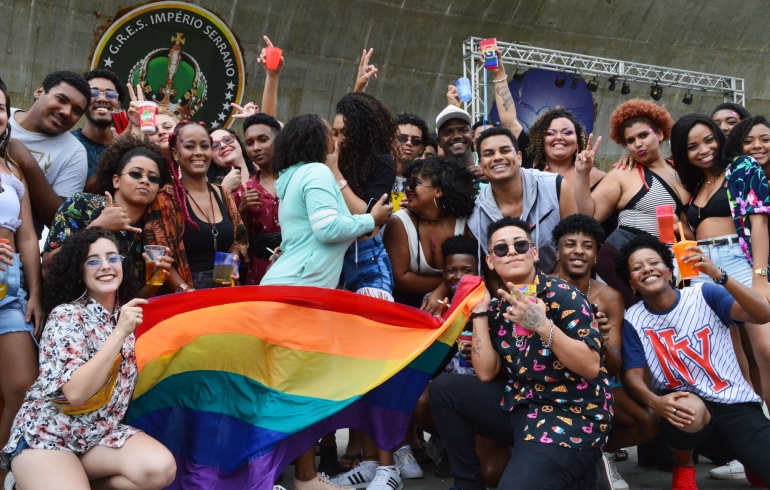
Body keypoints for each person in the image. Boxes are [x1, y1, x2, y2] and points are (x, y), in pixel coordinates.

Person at [430, 216, 613, 490]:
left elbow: (589, 366)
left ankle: (584, 468)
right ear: (491, 261)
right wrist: (479, 312)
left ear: (534, 253)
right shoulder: (496, 309)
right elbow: (486, 372)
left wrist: (541, 324)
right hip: (521, 404)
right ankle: (467, 485)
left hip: (573, 413)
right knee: (445, 390)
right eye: (501, 249)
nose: (512, 252)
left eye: (520, 245)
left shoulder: (564, 295)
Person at [261, 113, 391, 490]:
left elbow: (300, 235)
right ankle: (296, 478)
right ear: (317, 141)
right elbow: (327, 227)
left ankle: (296, 476)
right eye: (329, 133)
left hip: (292, 291)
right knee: (295, 391)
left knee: (288, 390)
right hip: (298, 296)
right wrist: (371, 219)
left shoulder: (293, 178)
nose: (336, 138)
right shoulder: (316, 172)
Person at [0, 227, 177, 490]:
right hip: (49, 436)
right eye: (92, 261)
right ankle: (27, 479)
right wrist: (118, 334)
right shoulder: (66, 315)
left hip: (97, 436)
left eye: (112, 258)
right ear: (80, 272)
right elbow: (75, 394)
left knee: (159, 468)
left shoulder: (127, 314)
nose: (105, 266)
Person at [615, 234, 770, 489]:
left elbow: (763, 314)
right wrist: (657, 402)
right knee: (684, 406)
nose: (647, 270)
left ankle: (752, 463)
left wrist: (719, 275)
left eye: (654, 263)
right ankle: (683, 469)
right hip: (688, 409)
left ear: (668, 269)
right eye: (637, 268)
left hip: (734, 402)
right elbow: (631, 375)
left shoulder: (704, 294)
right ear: (631, 282)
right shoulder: (633, 318)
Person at [550, 214, 659, 490]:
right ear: (558, 251)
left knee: (648, 421)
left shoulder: (609, 297)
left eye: (587, 245)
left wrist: (602, 339)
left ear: (596, 255)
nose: (578, 251)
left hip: (598, 380)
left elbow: (613, 366)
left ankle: (600, 453)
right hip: (550, 382)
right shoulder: (541, 288)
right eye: (570, 244)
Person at [574, 99, 690, 308]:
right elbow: (589, 218)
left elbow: (692, 226)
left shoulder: (683, 172)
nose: (637, 144)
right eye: (630, 140)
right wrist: (582, 175)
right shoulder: (623, 173)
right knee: (640, 318)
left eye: (643, 135)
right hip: (620, 260)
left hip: (669, 262)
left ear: (661, 134)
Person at [41, 137, 173, 298]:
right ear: (116, 180)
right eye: (135, 174)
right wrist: (99, 226)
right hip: (67, 313)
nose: (145, 180)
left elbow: (131, 302)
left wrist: (156, 280)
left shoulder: (152, 228)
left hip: (119, 319)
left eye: (153, 178)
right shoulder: (82, 205)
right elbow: (48, 270)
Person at [143, 120, 248, 291]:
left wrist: (232, 263)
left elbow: (240, 239)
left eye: (205, 146)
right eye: (190, 147)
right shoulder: (164, 198)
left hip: (224, 289)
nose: (199, 152)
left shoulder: (225, 194)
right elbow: (158, 255)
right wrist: (186, 291)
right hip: (184, 292)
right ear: (176, 154)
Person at [469, 126, 577, 290]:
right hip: (513, 300)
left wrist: (548, 294)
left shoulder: (555, 186)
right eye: (489, 154)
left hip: (564, 289)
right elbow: (493, 277)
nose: (497, 157)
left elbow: (573, 247)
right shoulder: (475, 217)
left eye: (505, 150)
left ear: (519, 157)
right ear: (481, 164)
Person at [0, 83, 43, 488]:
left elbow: (28, 235)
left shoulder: (12, 168)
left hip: (8, 292)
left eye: (0, 108)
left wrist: (35, 294)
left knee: (23, 388)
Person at [383, 157, 476, 310]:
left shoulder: (463, 221)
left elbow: (472, 271)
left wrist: (442, 290)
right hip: (409, 308)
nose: (408, 188)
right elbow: (400, 278)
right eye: (408, 183)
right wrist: (448, 282)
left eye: (415, 183)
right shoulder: (399, 222)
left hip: (460, 307)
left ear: (439, 191)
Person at [8, 71, 90, 233]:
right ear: (39, 91)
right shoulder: (3, 117)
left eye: (76, 111)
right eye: (61, 99)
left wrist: (28, 163)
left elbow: (61, 223)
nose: (66, 112)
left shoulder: (74, 153)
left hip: (16, 250)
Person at [234, 113, 282, 285]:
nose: (255, 147)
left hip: (300, 269)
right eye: (249, 143)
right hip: (260, 273)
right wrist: (242, 212)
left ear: (279, 141)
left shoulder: (298, 180)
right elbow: (240, 242)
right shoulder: (243, 191)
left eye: (263, 139)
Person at [528, 107, 604, 189]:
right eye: (550, 133)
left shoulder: (597, 177)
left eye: (567, 132)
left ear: (577, 141)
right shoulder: (528, 173)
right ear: (540, 141)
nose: (559, 137)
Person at [75, 70, 125, 181]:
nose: (102, 99)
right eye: (93, 93)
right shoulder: (67, 144)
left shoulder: (128, 147)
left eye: (111, 94)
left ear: (119, 104)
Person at [393, 112, 430, 210]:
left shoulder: (426, 180)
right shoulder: (375, 171)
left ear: (422, 148)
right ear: (390, 140)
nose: (409, 143)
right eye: (402, 138)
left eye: (415, 141)